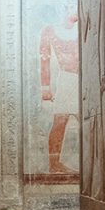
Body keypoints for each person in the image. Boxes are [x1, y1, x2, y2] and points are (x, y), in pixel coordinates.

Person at [39, 11, 79, 174]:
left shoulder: (85, 26)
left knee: (89, 123)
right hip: (66, 78)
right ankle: (54, 164)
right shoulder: (50, 30)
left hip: (85, 78)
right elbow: (44, 58)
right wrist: (46, 87)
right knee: (60, 120)